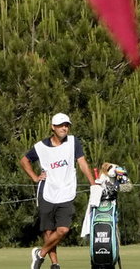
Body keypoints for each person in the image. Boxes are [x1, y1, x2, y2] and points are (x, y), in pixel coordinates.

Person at [20, 112, 96, 269]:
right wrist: (34, 177)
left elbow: (82, 163)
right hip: (46, 192)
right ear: (53, 127)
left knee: (62, 230)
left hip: (66, 192)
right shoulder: (40, 147)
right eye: (61, 125)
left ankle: (39, 255)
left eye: (67, 125)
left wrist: (93, 184)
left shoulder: (73, 142)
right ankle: (55, 264)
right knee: (48, 231)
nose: (65, 128)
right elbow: (24, 160)